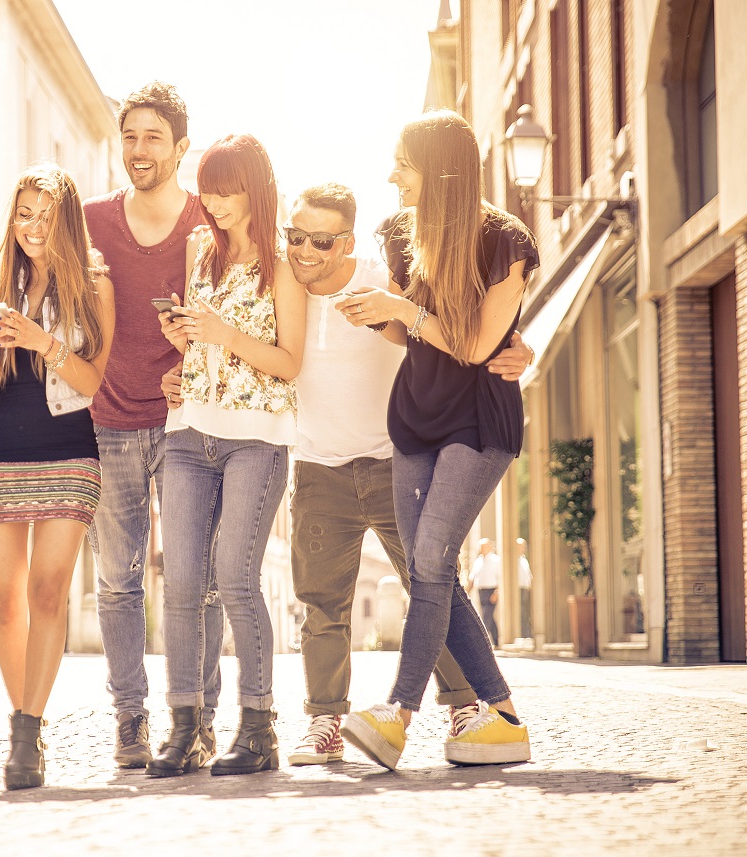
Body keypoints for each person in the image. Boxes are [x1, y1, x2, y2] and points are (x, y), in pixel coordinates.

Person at [245, 183, 529, 766]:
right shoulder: (276, 289)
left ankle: (466, 706)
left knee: (434, 583)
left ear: (346, 241)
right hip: (318, 467)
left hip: (395, 460)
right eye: (293, 237)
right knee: (320, 603)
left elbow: (458, 328)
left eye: (319, 241)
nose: (302, 251)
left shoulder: (386, 274)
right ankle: (325, 722)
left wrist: (516, 346)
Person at [340, 109, 539, 769]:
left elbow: (479, 346)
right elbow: (411, 333)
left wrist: (403, 310)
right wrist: (379, 314)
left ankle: (396, 715)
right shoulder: (402, 232)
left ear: (441, 169)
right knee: (429, 567)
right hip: (416, 418)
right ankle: (502, 714)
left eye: (403, 161)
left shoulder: (505, 240)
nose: (392, 175)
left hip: (479, 420)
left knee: (429, 559)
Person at [147, 134, 304, 778]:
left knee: (235, 577)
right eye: (207, 189)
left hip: (256, 436)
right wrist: (180, 354)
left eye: (227, 188)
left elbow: (289, 363)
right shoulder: (197, 249)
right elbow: (199, 345)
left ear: (256, 187)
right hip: (188, 432)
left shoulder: (285, 260)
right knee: (182, 582)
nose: (213, 203)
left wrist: (224, 334)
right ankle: (188, 728)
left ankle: (259, 727)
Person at [82, 82, 224, 768]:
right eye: (131, 136)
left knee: (196, 578)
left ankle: (198, 718)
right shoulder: (90, 220)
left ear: (180, 148)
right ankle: (131, 718)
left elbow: (235, 319)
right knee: (117, 579)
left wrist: (191, 351)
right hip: (107, 420)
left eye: (153, 138)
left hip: (186, 425)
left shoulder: (207, 225)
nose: (139, 150)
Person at [0, 164, 116, 790]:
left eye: (46, 217)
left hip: (68, 450)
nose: (32, 227)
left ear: (68, 223)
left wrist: (40, 338)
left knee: (48, 591)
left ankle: (27, 733)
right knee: (4, 601)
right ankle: (22, 716)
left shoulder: (94, 288)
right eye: (23, 214)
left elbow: (91, 382)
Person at [469, 538, 502, 646]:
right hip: (481, 591)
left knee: (486, 615)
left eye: (483, 546)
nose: (481, 548)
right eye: (480, 547)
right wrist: (467, 591)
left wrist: (496, 593)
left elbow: (500, 578)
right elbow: (472, 577)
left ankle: (483, 642)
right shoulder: (478, 561)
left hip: (491, 590)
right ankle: (496, 641)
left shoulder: (496, 560)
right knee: (488, 616)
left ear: (490, 547)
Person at [516, 538, 533, 638]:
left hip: (525, 589)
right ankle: (523, 633)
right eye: (521, 546)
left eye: (524, 546)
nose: (523, 548)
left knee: (525, 611)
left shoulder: (524, 559)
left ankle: (526, 632)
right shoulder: (514, 560)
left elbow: (528, 575)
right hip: (518, 589)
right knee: (521, 611)